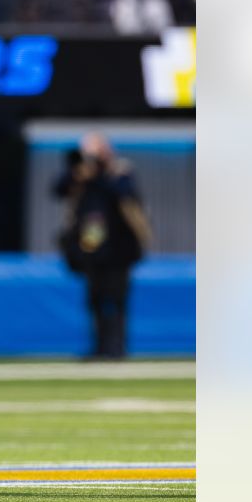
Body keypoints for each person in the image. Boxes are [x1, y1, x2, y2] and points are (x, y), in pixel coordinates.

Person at [54, 133, 152, 359]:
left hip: (118, 247)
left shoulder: (119, 172)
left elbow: (125, 194)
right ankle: (99, 347)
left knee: (117, 298)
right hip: (91, 244)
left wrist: (100, 172)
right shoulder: (81, 176)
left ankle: (117, 347)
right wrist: (80, 173)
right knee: (95, 298)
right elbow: (58, 189)